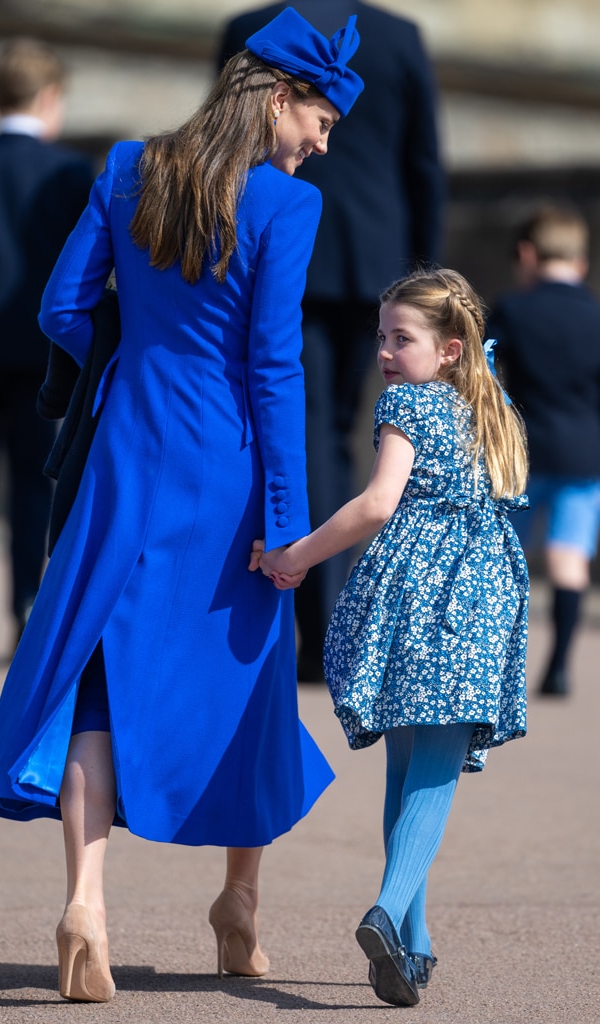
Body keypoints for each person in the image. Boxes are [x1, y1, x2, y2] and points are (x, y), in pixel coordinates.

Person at [0, 8, 364, 1004]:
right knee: (252, 680)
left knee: (98, 676)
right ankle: (238, 904)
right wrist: (291, 522)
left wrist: (130, 351)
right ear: (280, 98)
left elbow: (63, 306)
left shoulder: (126, 166)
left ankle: (86, 902)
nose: (326, 139)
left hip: (125, 458)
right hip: (228, 475)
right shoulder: (283, 207)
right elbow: (275, 369)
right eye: (322, 117)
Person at [253, 268, 529, 1006]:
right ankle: (390, 917)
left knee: (409, 775)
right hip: (476, 605)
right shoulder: (493, 406)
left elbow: (378, 503)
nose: (383, 351)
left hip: (418, 597)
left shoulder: (408, 403)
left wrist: (296, 556)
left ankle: (412, 943)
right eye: (381, 337)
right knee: (431, 779)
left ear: (448, 349)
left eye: (400, 338)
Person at [219, 0, 444, 680]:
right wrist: (423, 278)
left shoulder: (247, 30)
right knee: (345, 432)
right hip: (376, 259)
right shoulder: (402, 37)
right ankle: (335, 627)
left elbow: (227, 149)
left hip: (280, 250)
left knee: (305, 426)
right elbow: (425, 167)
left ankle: (310, 623)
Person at [0, 38, 94, 655]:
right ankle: (27, 611)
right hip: (41, 352)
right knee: (36, 481)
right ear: (51, 96)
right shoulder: (68, 172)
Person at [488, 203, 600, 697]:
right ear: (582, 262)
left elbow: (484, 372)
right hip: (583, 453)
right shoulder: (595, 315)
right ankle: (557, 668)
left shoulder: (513, 308)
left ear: (528, 254)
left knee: (499, 558)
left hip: (522, 452)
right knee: (568, 560)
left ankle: (489, 665)